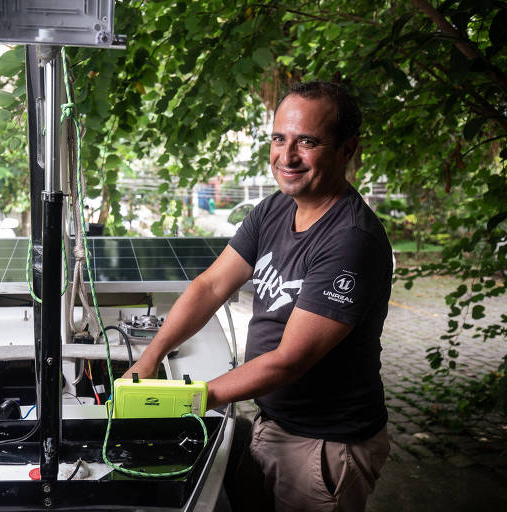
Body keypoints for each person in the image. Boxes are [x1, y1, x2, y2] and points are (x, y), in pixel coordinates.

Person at [123, 81, 392, 511]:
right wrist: (151, 356)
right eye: (279, 139)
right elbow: (210, 286)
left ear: (347, 149)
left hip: (324, 446)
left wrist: (188, 398)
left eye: (307, 141)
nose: (286, 157)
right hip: (275, 423)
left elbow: (289, 360)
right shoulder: (275, 208)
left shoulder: (350, 241)